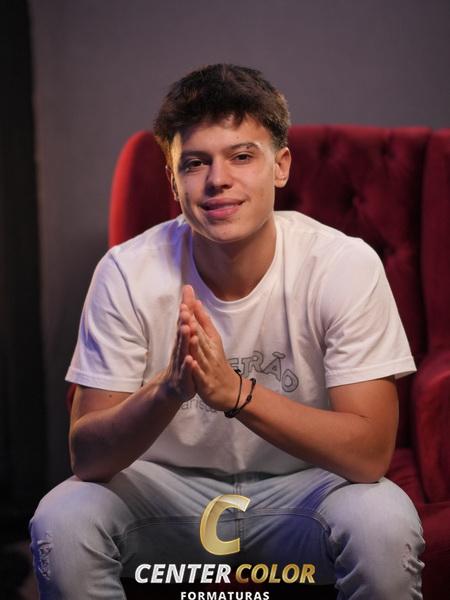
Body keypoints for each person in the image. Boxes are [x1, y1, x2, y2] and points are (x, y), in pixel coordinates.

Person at [30, 64, 425, 599]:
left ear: (280, 166)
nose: (218, 179)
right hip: (166, 494)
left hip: (303, 491)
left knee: (384, 523)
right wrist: (170, 389)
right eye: (195, 163)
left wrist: (237, 393)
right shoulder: (126, 271)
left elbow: (370, 454)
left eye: (242, 156)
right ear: (173, 180)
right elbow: (88, 457)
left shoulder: (342, 265)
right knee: (63, 518)